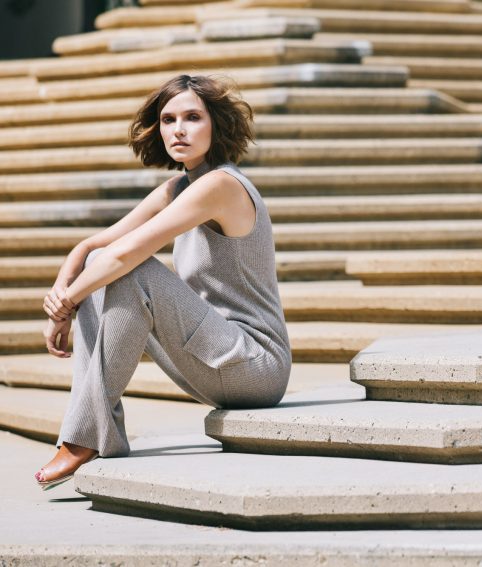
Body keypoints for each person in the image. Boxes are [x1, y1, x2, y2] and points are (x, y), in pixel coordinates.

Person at [34, 74, 291, 490]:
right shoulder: (179, 187)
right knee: (101, 261)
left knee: (131, 269)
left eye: (192, 117)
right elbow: (95, 245)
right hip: (212, 354)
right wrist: (62, 290)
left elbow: (125, 255)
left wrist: (66, 305)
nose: (178, 129)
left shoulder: (221, 185)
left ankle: (84, 437)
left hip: (255, 365)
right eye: (168, 120)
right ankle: (87, 432)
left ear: (217, 124)